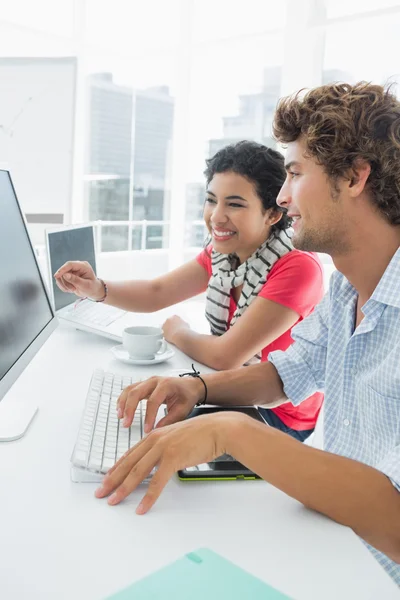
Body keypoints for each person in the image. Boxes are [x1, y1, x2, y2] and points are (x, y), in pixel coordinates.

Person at [94, 82, 400, 587]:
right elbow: (288, 372)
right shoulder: (348, 288)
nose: (282, 196)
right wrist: (199, 388)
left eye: (296, 174)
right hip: (337, 545)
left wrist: (229, 430)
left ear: (353, 177)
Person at [55, 141, 324, 441]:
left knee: (152, 435)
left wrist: (178, 331)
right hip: (229, 389)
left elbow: (226, 357)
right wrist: (97, 288)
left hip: (276, 417)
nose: (216, 216)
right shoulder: (223, 253)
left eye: (234, 204)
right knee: (129, 420)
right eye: (211, 200)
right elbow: (157, 292)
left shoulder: (298, 267)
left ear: (273, 214)